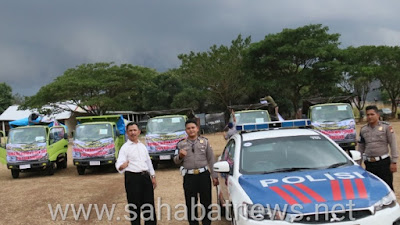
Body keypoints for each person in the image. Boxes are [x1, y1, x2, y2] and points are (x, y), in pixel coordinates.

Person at [173, 119, 219, 225]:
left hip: (203, 175)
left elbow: (211, 159)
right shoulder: (181, 145)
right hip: (189, 177)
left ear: (197, 129)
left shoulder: (205, 142)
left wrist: (214, 176)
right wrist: (180, 156)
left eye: (193, 128)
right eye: (188, 128)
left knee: (206, 202)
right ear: (186, 130)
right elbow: (175, 161)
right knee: (191, 203)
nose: (191, 130)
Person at [115, 122, 157, 225]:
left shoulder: (142, 146)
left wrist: (153, 176)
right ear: (127, 133)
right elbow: (119, 163)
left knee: (149, 205)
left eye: (135, 130)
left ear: (139, 132)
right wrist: (121, 166)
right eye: (130, 130)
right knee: (134, 206)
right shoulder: (125, 148)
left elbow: (148, 162)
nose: (133, 133)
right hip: (132, 178)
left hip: (145, 177)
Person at [358, 105, 398, 190]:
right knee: (372, 188)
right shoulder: (363, 129)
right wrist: (358, 164)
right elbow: (361, 147)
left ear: (378, 115)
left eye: (372, 114)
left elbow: (393, 144)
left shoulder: (386, 127)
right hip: (369, 164)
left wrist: (394, 161)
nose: (369, 117)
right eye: (368, 115)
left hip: (383, 163)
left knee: (387, 187)